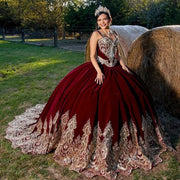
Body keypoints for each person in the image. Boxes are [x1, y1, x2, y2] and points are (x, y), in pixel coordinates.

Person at [5, 6, 171, 180]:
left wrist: (122, 66)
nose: (102, 22)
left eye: (104, 19)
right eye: (99, 20)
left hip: (116, 69)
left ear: (110, 20)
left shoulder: (114, 35)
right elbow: (92, 56)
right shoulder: (96, 35)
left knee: (129, 96)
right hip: (99, 70)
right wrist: (99, 71)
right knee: (91, 101)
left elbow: (117, 54)